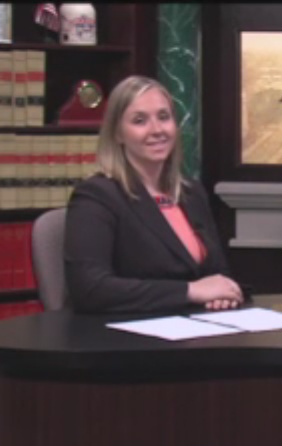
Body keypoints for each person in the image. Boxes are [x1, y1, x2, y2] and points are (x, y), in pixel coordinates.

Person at [65, 75, 244, 314]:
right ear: (117, 134)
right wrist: (190, 291)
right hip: (124, 330)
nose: (157, 130)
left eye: (164, 117)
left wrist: (222, 294)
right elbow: (90, 288)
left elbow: (218, 274)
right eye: (140, 121)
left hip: (196, 325)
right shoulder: (97, 196)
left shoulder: (190, 192)